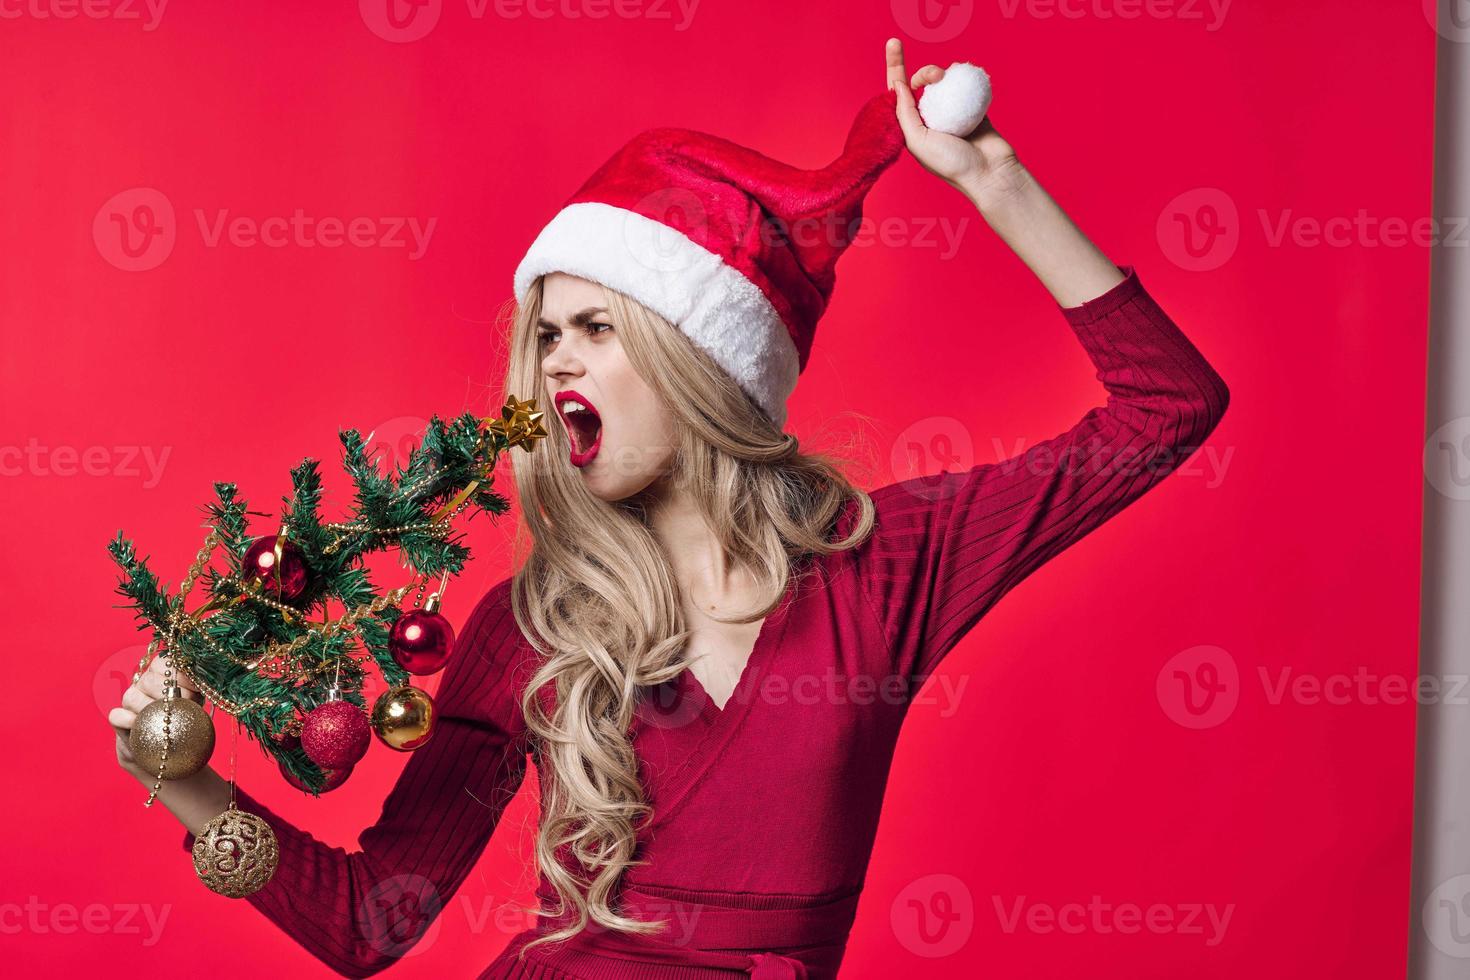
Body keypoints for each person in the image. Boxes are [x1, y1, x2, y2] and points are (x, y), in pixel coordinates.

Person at [109, 39, 1229, 979]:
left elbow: (1167, 409)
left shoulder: (879, 572)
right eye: (546, 334)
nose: (556, 365)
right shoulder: (529, 624)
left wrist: (997, 186)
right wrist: (184, 777)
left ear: (700, 357)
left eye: (598, 328)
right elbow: (371, 921)